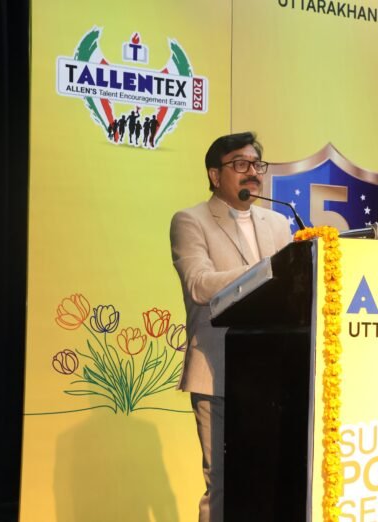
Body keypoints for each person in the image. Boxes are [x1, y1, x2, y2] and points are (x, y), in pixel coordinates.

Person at [169, 131, 291, 522]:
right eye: (240, 164)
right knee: (223, 482)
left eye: (257, 164)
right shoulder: (191, 221)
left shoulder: (278, 222)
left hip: (274, 375)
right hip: (217, 371)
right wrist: (267, 271)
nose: (252, 172)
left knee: (270, 479)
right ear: (215, 174)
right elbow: (199, 284)